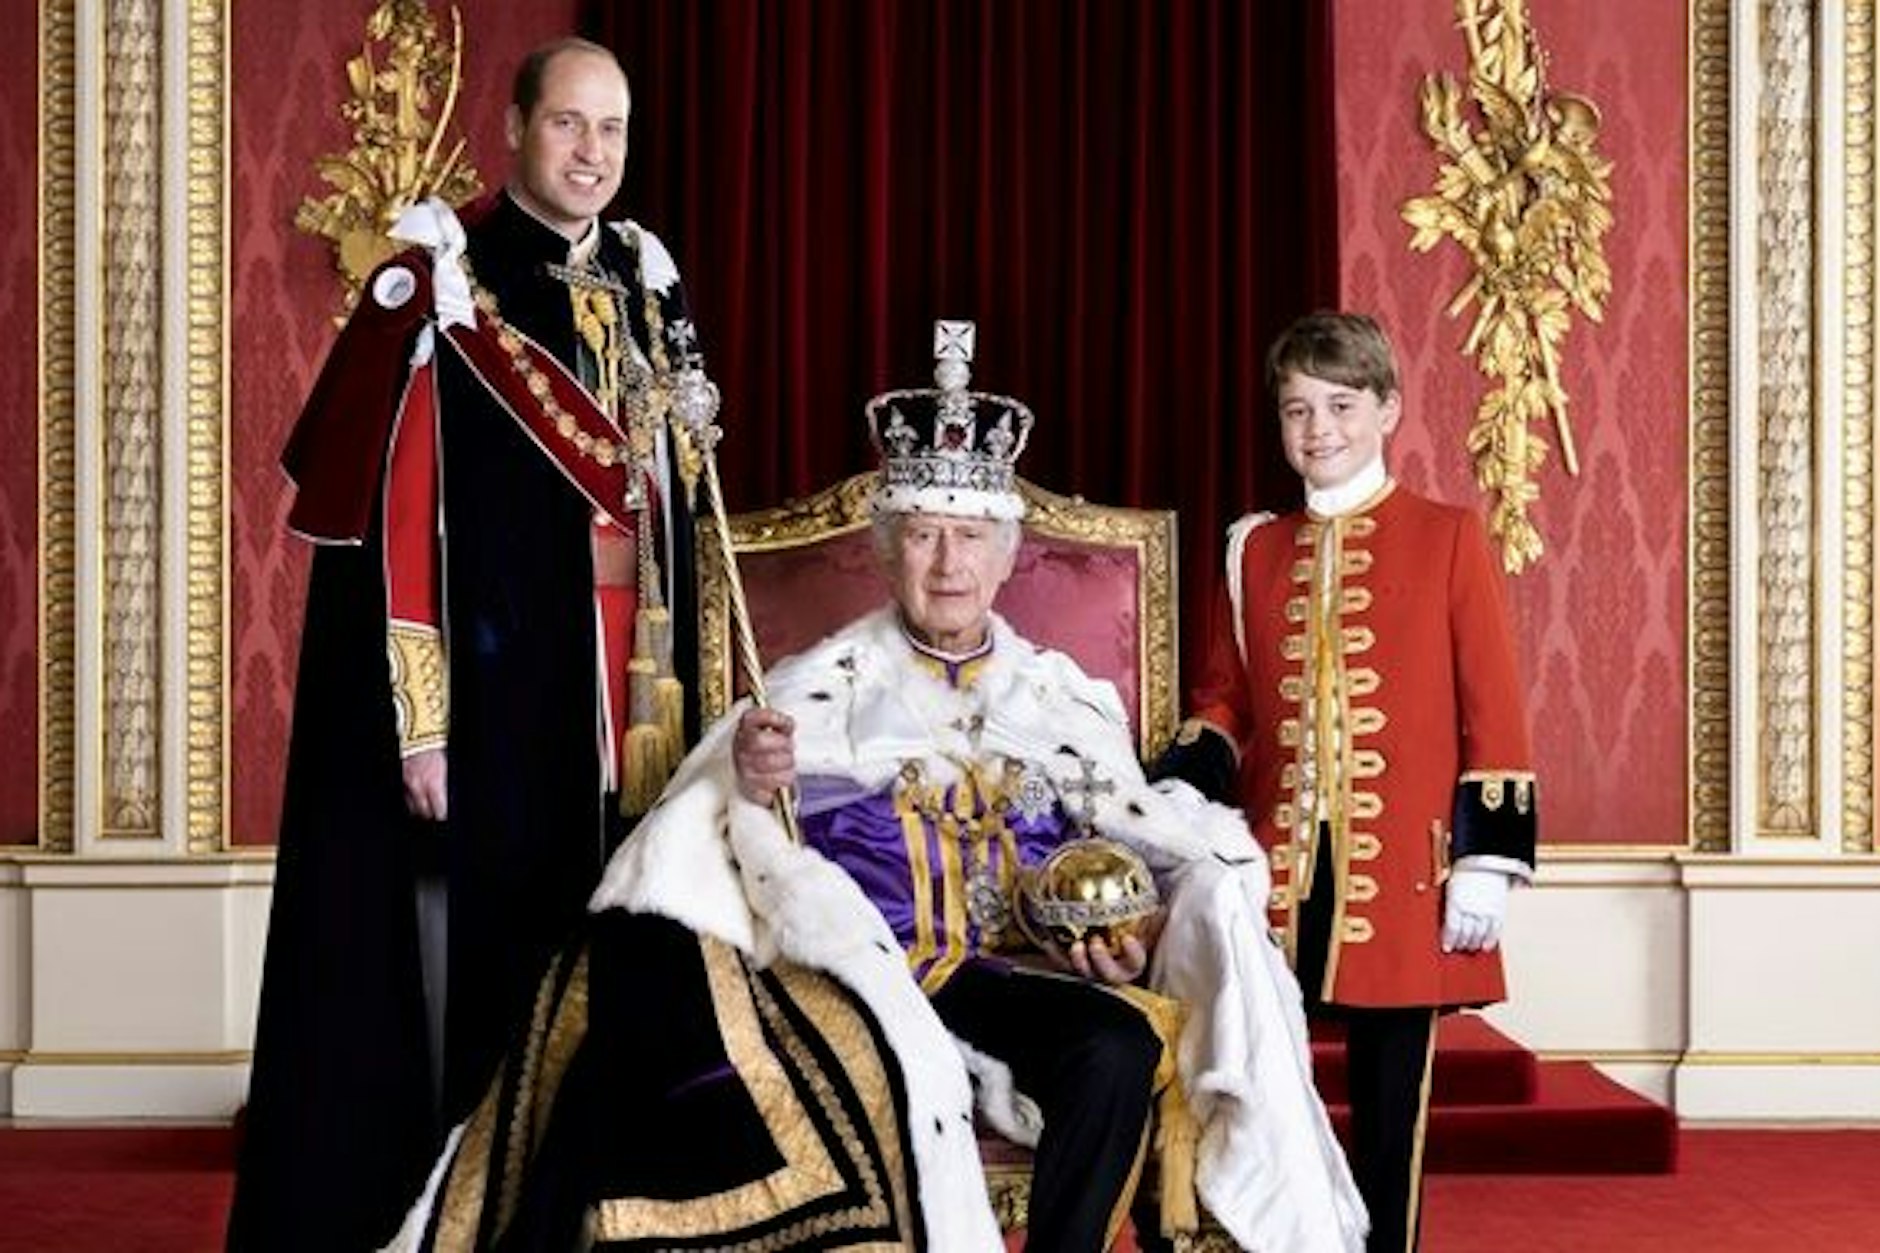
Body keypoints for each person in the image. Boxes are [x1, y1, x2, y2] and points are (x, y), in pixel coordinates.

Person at [387, 322, 1367, 1253]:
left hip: (1001, 979)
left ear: (1006, 555)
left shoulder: (1060, 698)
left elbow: (1127, 847)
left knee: (1113, 1046)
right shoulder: (815, 690)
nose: (948, 563)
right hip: (860, 978)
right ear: (888, 550)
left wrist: (1125, 930)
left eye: (969, 536)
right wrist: (751, 782)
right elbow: (716, 842)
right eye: (924, 535)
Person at [230, 37, 710, 1252]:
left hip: (637, 690)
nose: (592, 152)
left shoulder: (646, 281)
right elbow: (399, 525)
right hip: (502, 695)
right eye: (568, 124)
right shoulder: (446, 279)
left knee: (629, 959)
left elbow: (676, 504)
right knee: (508, 978)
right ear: (512, 128)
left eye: (611, 128)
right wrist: (421, 724)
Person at [1154, 312, 1539, 1253]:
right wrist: (1183, 782)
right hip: (1278, 869)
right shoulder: (1254, 550)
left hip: (1404, 872)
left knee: (1390, 1108)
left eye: (1340, 405)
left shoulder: (1448, 536)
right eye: (1298, 410)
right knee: (1258, 1092)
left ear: (1388, 410)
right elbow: (1226, 696)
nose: (1318, 428)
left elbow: (1493, 703)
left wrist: (1487, 859)